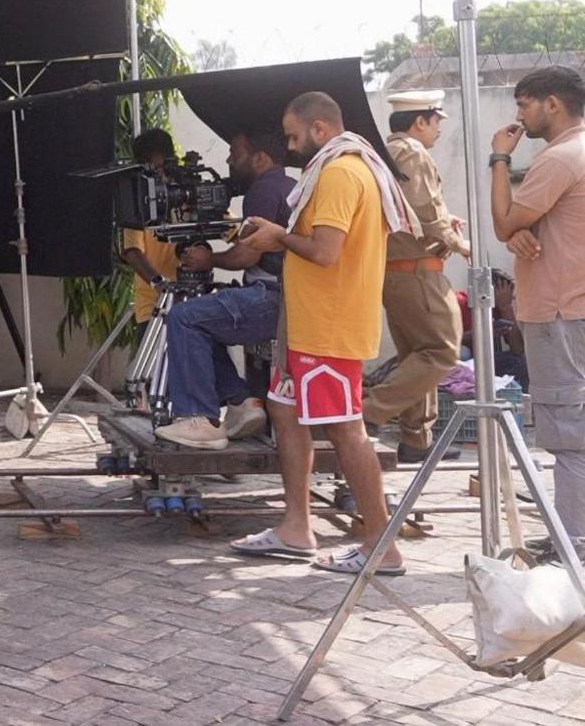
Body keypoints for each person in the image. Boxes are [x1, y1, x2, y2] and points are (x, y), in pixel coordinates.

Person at [235, 92, 415, 575]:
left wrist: (277, 236)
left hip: (328, 326)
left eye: (294, 136)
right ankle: (297, 527)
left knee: (345, 430)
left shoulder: (339, 172)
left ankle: (382, 545)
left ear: (319, 130)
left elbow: (325, 251)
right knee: (285, 410)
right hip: (308, 324)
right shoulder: (341, 169)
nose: (290, 148)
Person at [154, 129, 296, 449]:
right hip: (287, 298)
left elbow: (247, 254)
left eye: (236, 153)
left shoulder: (262, 189)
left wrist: (209, 259)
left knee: (184, 317)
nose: (230, 160)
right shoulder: (289, 186)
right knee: (203, 322)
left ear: (261, 158)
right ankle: (242, 401)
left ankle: (198, 417)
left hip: (271, 298)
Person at [491, 65, 585, 543]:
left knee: (568, 436)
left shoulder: (560, 157)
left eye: (524, 104)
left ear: (552, 103)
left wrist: (499, 159)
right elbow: (528, 227)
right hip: (571, 308)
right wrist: (525, 231)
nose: (520, 115)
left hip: (560, 313)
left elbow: (503, 222)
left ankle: (574, 544)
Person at [369, 90, 468, 464]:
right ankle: (368, 411)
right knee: (442, 350)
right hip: (415, 269)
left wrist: (445, 230)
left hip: (398, 269)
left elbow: (415, 211)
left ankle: (417, 440)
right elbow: (427, 211)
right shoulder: (411, 151)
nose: (439, 128)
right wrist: (458, 242)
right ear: (420, 121)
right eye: (436, 120)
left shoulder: (389, 152)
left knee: (418, 356)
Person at [121, 129, 181, 333]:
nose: (158, 174)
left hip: (194, 306)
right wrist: (159, 283)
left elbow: (235, 231)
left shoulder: (189, 190)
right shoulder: (137, 202)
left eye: (159, 166)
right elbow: (132, 252)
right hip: (153, 309)